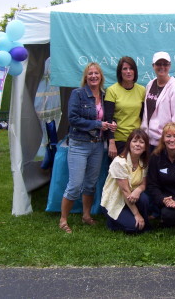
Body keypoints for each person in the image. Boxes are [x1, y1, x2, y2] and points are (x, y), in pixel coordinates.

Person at [58, 62, 116, 233]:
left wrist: (110, 126)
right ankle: (63, 219)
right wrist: (98, 124)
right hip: (79, 144)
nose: (93, 76)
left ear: (101, 77)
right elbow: (73, 119)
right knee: (75, 185)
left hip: (97, 145)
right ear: (85, 77)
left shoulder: (105, 95)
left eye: (96, 73)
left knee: (90, 184)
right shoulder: (78, 94)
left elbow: (107, 118)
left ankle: (86, 216)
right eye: (90, 73)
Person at [100, 129, 150, 233]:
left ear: (145, 147)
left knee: (144, 198)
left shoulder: (143, 162)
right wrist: (137, 214)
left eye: (141, 142)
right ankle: (112, 222)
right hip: (116, 200)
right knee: (133, 228)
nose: (138, 145)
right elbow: (125, 191)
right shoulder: (120, 162)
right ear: (129, 144)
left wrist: (138, 190)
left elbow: (144, 183)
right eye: (134, 141)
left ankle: (144, 223)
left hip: (131, 198)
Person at [141, 51, 175, 151]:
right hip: (147, 141)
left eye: (165, 64)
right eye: (158, 64)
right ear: (153, 66)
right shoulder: (150, 84)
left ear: (170, 66)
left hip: (165, 143)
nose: (162, 67)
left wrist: (172, 141)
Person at [104, 56, 146, 158]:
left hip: (137, 140)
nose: (128, 72)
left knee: (136, 172)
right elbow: (108, 118)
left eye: (131, 68)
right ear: (120, 72)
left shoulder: (142, 90)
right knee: (118, 172)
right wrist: (112, 143)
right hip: (118, 141)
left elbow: (143, 116)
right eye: (125, 69)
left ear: (135, 71)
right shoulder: (112, 90)